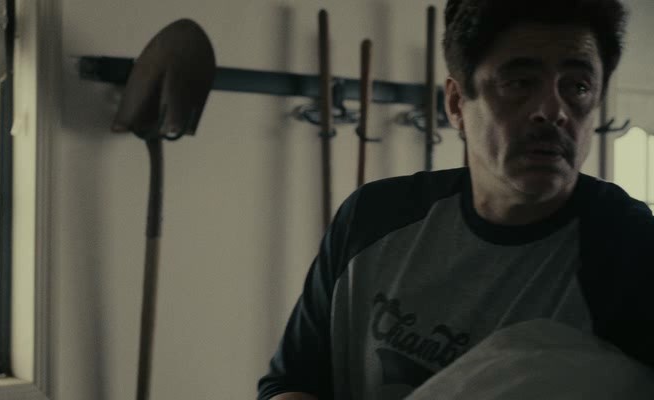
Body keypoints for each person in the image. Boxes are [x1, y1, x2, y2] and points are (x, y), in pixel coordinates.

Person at [258, 0, 653, 399]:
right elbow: (291, 383)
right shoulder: (372, 218)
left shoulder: (630, 250)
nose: (552, 110)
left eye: (578, 86)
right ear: (456, 103)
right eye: (519, 83)